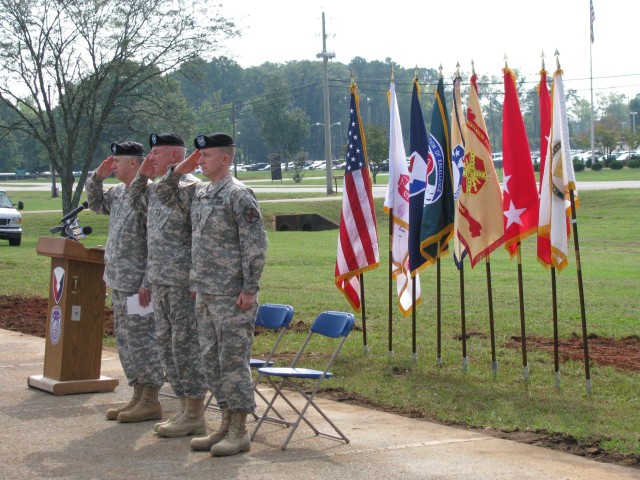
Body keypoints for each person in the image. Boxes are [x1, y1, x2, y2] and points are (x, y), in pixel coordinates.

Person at [155, 132, 267, 457]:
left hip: (233, 296)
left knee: (232, 363)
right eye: (198, 157)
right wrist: (181, 168)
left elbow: (255, 245)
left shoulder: (239, 195)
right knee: (211, 363)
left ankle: (240, 430)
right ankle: (223, 424)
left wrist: (250, 288)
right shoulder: (200, 193)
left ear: (225, 159)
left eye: (205, 157)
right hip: (204, 294)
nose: (200, 161)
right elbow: (164, 194)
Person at [128, 132, 208, 438]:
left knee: (185, 349)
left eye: (157, 153)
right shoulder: (157, 190)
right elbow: (136, 203)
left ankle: (194, 412)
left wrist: (197, 279)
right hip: (160, 282)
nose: (151, 158)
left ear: (174, 157)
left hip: (182, 284)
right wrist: (142, 175)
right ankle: (184, 408)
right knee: (168, 349)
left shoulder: (191, 190)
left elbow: (200, 240)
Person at [85, 141, 164, 423]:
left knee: (143, 340)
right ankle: (137, 394)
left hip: (139, 286)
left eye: (117, 161)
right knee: (126, 341)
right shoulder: (119, 193)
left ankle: (151, 399)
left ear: (134, 163)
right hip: (118, 281)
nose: (113, 164)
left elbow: (156, 244)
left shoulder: (150, 194)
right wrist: (98, 176)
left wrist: (148, 282)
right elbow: (95, 203)